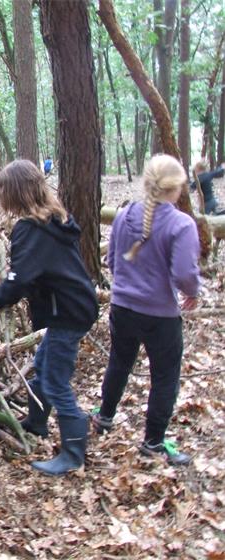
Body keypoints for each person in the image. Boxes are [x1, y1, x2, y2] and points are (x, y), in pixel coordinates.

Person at [0, 159, 98, 476]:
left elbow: (21, 276)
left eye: (2, 190)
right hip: (74, 306)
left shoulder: (31, 229)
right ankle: (36, 423)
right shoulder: (53, 220)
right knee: (43, 365)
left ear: (14, 193)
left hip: (67, 312)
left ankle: (73, 453)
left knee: (55, 380)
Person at [92, 154, 200, 465]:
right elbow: (184, 273)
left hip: (123, 308)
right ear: (176, 188)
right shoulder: (181, 224)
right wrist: (192, 292)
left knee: (119, 362)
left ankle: (105, 416)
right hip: (161, 316)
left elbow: (112, 262)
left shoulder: (124, 215)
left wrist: (129, 286)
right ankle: (153, 441)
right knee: (165, 376)